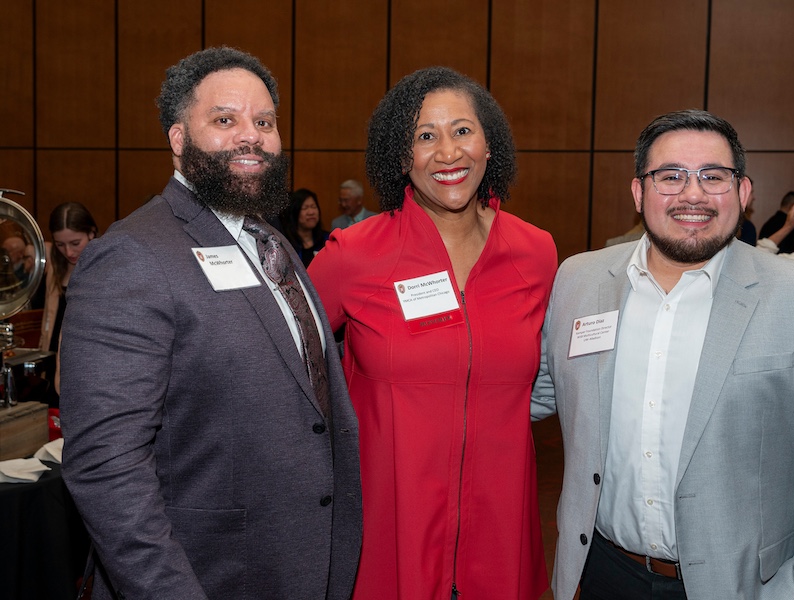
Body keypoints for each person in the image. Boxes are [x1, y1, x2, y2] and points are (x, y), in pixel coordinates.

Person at [531, 109, 794, 600]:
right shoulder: (578, 280)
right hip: (598, 574)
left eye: (713, 176)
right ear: (639, 193)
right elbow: (536, 390)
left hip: (744, 586)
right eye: (670, 176)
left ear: (742, 192)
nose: (692, 193)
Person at [60, 46, 361, 600]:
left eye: (263, 121)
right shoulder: (132, 256)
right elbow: (105, 466)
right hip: (206, 576)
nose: (251, 136)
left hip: (299, 565)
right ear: (179, 140)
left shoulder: (272, 242)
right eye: (225, 120)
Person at [308, 66, 556, 599]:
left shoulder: (536, 253)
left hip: (501, 529)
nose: (448, 153)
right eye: (425, 136)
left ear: (490, 145)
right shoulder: (354, 254)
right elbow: (282, 358)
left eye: (463, 130)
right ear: (402, 159)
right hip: (388, 528)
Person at [40, 202, 97, 355]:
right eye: (60, 244)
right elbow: (48, 320)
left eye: (75, 243)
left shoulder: (100, 271)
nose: (68, 252)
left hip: (79, 357)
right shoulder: (54, 269)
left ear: (91, 233)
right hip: (51, 355)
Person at [277, 187, 329, 266]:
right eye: (305, 208)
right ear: (295, 212)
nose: (311, 212)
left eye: (313, 207)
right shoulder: (285, 244)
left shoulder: (327, 240)